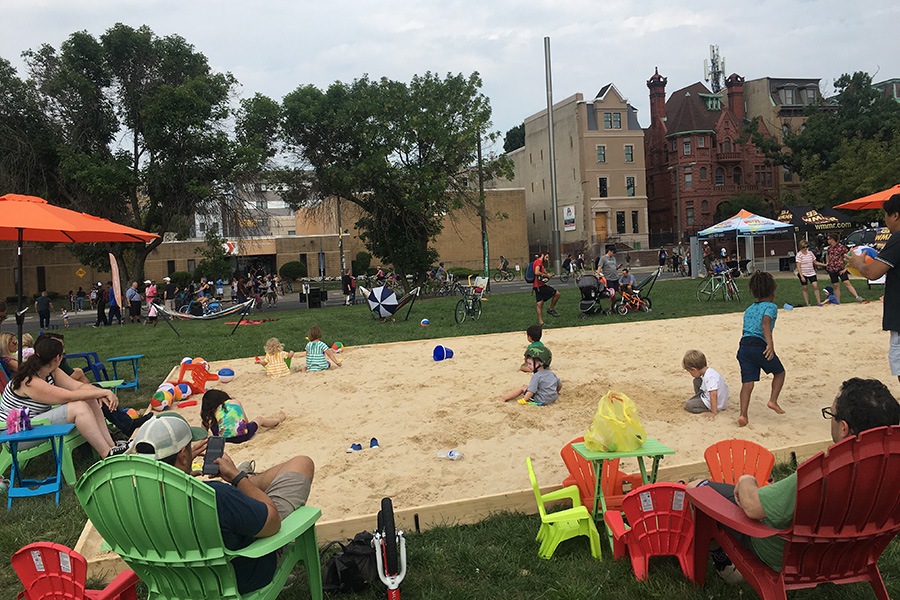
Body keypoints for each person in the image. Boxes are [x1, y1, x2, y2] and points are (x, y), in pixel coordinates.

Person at [697, 378, 899, 579]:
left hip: (790, 558)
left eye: (831, 414)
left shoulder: (823, 474)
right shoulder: (891, 472)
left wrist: (745, 480)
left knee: (699, 488)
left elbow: (752, 506)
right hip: (854, 556)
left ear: (844, 428)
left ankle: (724, 566)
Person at [132, 413, 315, 596]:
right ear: (182, 455)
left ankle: (248, 478)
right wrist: (236, 478)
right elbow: (273, 522)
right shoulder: (216, 496)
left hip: (176, 583)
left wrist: (184, 472)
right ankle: (245, 477)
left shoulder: (130, 503)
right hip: (241, 578)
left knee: (241, 493)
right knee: (302, 463)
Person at [0, 336, 130, 458]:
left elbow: (78, 387)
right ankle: (106, 453)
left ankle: (111, 446)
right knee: (78, 407)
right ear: (57, 358)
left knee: (88, 398)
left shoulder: (50, 371)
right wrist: (103, 393)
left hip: (31, 424)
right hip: (15, 434)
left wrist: (99, 392)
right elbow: (67, 396)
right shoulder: (30, 381)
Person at [847, 193, 900, 382]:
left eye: (886, 215)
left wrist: (858, 263)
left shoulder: (898, 238)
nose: (885, 220)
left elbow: (872, 273)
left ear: (895, 215)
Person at [736, 271, 785, 427]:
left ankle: (743, 415)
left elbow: (746, 329)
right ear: (772, 291)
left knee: (747, 383)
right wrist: (770, 344)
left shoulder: (749, 308)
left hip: (744, 346)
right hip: (759, 345)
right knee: (779, 372)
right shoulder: (771, 306)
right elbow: (765, 323)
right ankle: (773, 400)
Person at [200, 389, 285, 444]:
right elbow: (245, 421)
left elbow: (203, 433)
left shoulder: (211, 413)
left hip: (222, 440)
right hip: (243, 436)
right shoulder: (235, 402)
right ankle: (279, 419)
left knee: (207, 423)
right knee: (260, 419)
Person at [682, 349, 729, 418]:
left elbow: (713, 394)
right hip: (710, 397)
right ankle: (699, 399)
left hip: (715, 404)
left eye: (690, 372)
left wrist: (713, 412)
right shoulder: (708, 372)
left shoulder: (710, 377)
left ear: (694, 369)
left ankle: (706, 407)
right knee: (697, 381)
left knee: (689, 405)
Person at [819, 232, 863, 303]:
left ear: (833, 239)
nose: (828, 240)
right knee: (836, 285)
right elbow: (828, 255)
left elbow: (848, 258)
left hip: (840, 268)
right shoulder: (829, 248)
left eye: (829, 239)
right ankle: (837, 301)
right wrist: (827, 263)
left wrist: (846, 268)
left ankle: (857, 297)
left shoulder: (841, 248)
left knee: (847, 283)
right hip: (832, 269)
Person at [532, 252, 560, 326]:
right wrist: (546, 275)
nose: (547, 259)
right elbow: (536, 272)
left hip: (537, 286)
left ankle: (541, 322)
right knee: (557, 293)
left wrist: (547, 276)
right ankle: (551, 309)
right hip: (540, 286)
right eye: (546, 257)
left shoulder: (537, 262)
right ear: (543, 255)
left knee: (539, 304)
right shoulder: (539, 262)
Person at [794, 240, 823, 306]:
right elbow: (798, 266)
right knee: (805, 288)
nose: (805, 248)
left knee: (815, 286)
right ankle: (807, 303)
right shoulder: (799, 255)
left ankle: (819, 302)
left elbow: (815, 262)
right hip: (803, 273)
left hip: (811, 272)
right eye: (803, 247)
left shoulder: (810, 253)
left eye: (806, 247)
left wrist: (824, 265)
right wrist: (801, 276)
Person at [597, 245, 620, 313]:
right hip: (609, 279)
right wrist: (598, 275)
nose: (614, 254)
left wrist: (617, 268)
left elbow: (614, 267)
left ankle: (617, 305)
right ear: (609, 251)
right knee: (612, 294)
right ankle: (612, 307)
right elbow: (599, 267)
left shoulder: (613, 258)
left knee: (619, 290)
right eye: (613, 252)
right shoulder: (603, 258)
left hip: (616, 277)